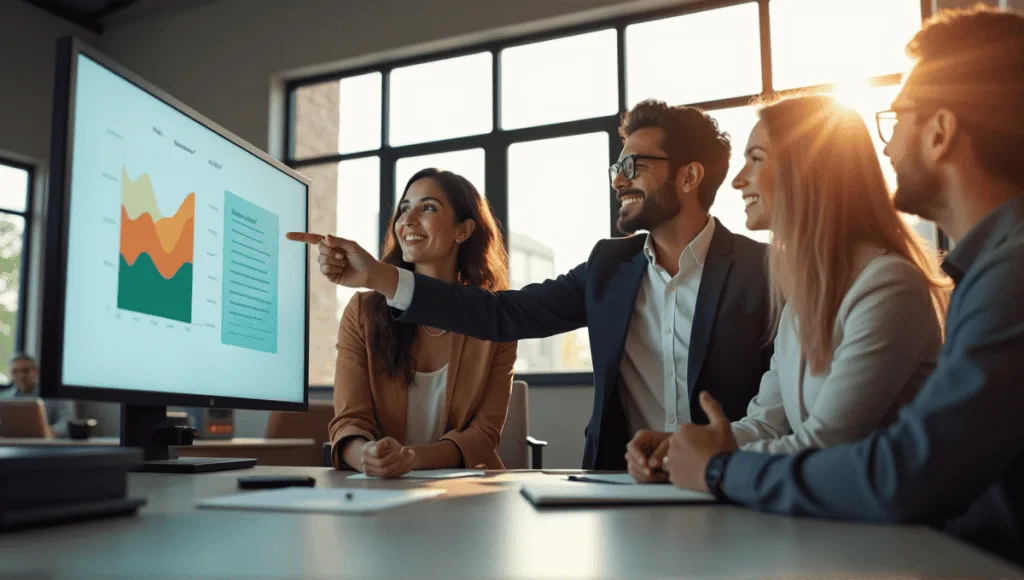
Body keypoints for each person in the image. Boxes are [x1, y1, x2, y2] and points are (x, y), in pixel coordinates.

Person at [661, 6, 1024, 565]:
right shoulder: (987, 274)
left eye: (896, 119)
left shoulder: (1002, 279)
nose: (887, 147)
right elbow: (778, 420)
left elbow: (904, 472)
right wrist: (686, 451)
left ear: (940, 132)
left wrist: (717, 468)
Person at [293, 100, 773, 470]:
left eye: (634, 167)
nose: (618, 181)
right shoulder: (608, 267)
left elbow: (782, 407)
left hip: (730, 481)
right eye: (616, 168)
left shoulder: (766, 271)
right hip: (624, 487)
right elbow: (503, 313)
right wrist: (378, 276)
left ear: (689, 176)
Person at [626, 95, 949, 482]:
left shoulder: (889, 287)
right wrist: (679, 447)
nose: (738, 179)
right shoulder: (804, 295)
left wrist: (710, 463)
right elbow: (767, 424)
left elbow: (825, 445)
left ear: (807, 170)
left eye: (756, 158)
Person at [289, 169, 516, 476]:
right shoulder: (363, 312)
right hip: (376, 487)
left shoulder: (493, 319)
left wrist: (409, 459)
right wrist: (367, 456)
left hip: (467, 488)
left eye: (428, 207)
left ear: (463, 230)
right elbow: (349, 421)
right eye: (404, 208)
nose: (408, 220)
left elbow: (483, 435)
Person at [0, 354, 76, 437]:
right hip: (12, 442)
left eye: (26, 371)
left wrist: (51, 432)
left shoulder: (54, 395)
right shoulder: (3, 399)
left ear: (36, 371)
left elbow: (66, 421)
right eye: (15, 372)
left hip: (44, 442)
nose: (21, 376)